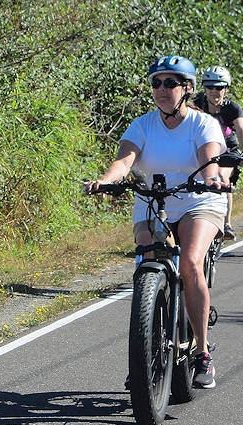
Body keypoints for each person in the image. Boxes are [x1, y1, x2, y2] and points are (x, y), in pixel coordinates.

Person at [84, 56, 225, 388]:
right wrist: (106, 181)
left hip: (197, 201)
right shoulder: (142, 125)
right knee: (147, 262)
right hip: (152, 201)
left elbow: (209, 161)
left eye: (170, 83)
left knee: (190, 262)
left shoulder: (203, 124)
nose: (162, 90)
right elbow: (124, 160)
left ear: (187, 88)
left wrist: (212, 179)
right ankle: (144, 354)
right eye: (156, 83)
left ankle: (202, 351)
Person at [193, 66, 243, 240]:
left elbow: (241, 129)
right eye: (209, 87)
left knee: (221, 176)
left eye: (219, 87)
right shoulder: (196, 105)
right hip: (203, 149)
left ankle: (226, 223)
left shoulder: (232, 107)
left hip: (228, 150)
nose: (214, 91)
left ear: (226, 89)